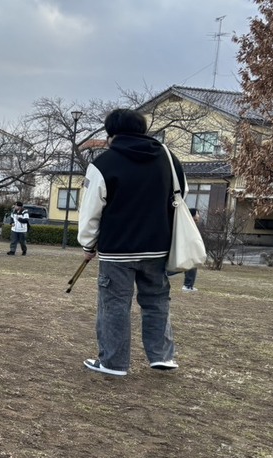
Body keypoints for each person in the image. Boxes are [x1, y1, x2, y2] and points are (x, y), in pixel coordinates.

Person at [77, 108, 184, 376]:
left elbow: (90, 211)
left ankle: (113, 362)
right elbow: (179, 195)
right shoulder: (169, 159)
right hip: (159, 246)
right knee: (157, 301)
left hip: (117, 249)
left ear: (110, 133)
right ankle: (162, 356)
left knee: (115, 305)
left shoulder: (104, 163)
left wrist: (88, 244)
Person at [168, 208, 201, 292]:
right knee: (187, 265)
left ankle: (188, 286)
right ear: (192, 215)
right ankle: (187, 286)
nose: (199, 216)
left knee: (191, 265)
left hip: (187, 249)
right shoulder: (187, 225)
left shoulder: (190, 224)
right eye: (197, 214)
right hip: (183, 248)